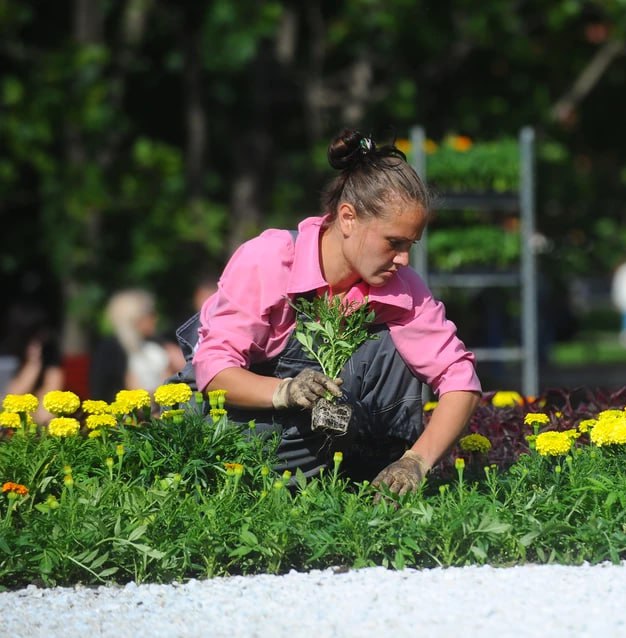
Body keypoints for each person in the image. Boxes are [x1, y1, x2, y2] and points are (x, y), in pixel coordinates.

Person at [173, 129, 481, 495]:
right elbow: (215, 371)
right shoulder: (270, 259)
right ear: (348, 218)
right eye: (393, 243)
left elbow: (460, 378)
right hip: (230, 439)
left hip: (325, 449)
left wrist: (417, 460)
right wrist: (286, 390)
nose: (404, 259)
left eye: (410, 245)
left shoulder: (402, 287)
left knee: (398, 347)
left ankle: (365, 488)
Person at [89, 289, 170, 400]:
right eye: (151, 314)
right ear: (135, 318)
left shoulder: (155, 344)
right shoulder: (112, 349)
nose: (156, 318)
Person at [0, 300, 64, 425]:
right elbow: (11, 398)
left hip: (36, 413)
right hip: (9, 416)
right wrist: (33, 365)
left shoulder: (49, 350)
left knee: (47, 411)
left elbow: (52, 391)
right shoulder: (6, 354)